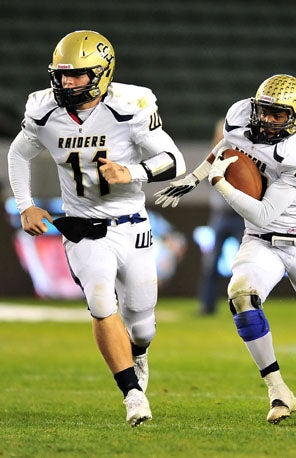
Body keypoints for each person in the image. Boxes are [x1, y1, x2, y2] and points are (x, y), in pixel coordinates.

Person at [154, 74, 296, 423]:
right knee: (241, 293)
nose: (267, 120)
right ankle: (278, 390)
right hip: (260, 241)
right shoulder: (240, 115)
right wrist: (195, 176)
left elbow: (264, 212)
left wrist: (218, 184)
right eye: (264, 111)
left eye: (278, 115)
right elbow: (225, 149)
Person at [7, 30, 187, 427]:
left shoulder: (131, 104)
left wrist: (133, 171)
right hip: (83, 227)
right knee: (102, 301)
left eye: (77, 75)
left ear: (103, 74)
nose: (66, 83)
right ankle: (132, 394)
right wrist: (26, 205)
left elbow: (174, 161)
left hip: (133, 225)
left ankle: (138, 354)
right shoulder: (43, 109)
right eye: (61, 75)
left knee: (142, 323)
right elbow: (19, 152)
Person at [198, 119, 245, 315]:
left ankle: (247, 306)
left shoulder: (242, 158)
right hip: (220, 216)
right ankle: (207, 306)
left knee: (245, 263)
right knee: (210, 263)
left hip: (240, 217)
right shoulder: (213, 157)